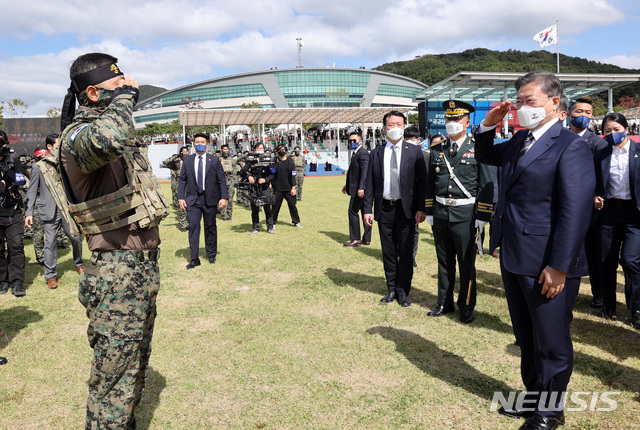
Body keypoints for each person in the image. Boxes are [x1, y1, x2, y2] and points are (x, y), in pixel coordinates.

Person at [475, 71, 595, 429]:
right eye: (520, 102)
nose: (523, 108)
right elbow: (487, 156)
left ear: (555, 103)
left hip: (548, 262)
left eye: (531, 101)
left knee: (551, 338)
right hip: (514, 256)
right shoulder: (520, 139)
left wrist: (559, 266)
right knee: (526, 335)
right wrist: (487, 125)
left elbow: (575, 212)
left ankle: (550, 410)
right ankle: (532, 398)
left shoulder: (571, 145)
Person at [59, 52, 170, 429]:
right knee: (113, 380)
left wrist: (119, 98)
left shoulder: (107, 129)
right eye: (117, 85)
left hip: (138, 269)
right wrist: (125, 99)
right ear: (92, 94)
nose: (129, 88)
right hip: (115, 272)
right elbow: (107, 138)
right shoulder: (78, 137)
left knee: (133, 367)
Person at [425, 100, 494, 324]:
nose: (451, 123)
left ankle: (465, 305)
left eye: (456, 119)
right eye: (448, 119)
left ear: (467, 122)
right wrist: (429, 211)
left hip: (466, 215)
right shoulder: (437, 149)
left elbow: (486, 184)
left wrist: (483, 216)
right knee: (444, 261)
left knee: (466, 264)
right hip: (441, 212)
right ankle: (444, 303)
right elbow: (429, 183)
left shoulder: (477, 148)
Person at [363, 111, 427, 307]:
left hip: (406, 209)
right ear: (384, 128)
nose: (395, 127)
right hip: (385, 209)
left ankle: (403, 290)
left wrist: (421, 208)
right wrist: (367, 209)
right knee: (388, 250)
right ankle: (391, 288)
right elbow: (370, 184)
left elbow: (422, 183)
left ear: (404, 126)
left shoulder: (414, 151)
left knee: (406, 251)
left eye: (399, 123)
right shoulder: (376, 153)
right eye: (391, 124)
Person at [593, 112, 640, 329]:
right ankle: (608, 306)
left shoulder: (638, 152)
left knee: (631, 261)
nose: (612, 134)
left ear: (627, 129)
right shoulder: (600, 153)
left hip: (634, 215)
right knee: (606, 261)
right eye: (607, 131)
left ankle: (637, 308)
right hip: (609, 212)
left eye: (617, 130)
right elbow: (591, 181)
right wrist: (595, 197)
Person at [24, 134, 84, 289]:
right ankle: (51, 276)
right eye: (58, 145)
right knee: (50, 243)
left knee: (76, 237)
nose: (60, 148)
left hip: (66, 209)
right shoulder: (39, 166)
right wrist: (28, 212)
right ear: (49, 147)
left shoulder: (65, 163)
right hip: (49, 210)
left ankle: (79, 263)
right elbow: (31, 191)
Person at [567, 98, 608, 308]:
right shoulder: (558, 139)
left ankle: (598, 294)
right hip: (563, 205)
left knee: (593, 251)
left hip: (590, 208)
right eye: (579, 111)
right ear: (569, 114)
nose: (584, 115)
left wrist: (596, 197)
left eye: (589, 112)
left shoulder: (598, 144)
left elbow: (602, 178)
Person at [178, 133, 228, 268]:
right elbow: (182, 179)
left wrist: (224, 197)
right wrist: (180, 198)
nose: (200, 144)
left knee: (210, 226)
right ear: (194, 144)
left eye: (202, 142)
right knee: (193, 226)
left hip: (210, 199)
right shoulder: (187, 161)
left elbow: (221, 180)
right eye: (197, 142)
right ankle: (194, 258)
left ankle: (211, 254)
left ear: (207, 144)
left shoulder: (215, 160)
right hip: (193, 200)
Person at [0, 130, 26, 297]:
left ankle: (17, 283)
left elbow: (21, 180)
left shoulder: (13, 162)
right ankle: (2, 281)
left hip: (12, 212)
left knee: (16, 246)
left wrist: (11, 181)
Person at [342, 131, 371, 247]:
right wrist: (347, 185)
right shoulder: (356, 153)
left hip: (360, 190)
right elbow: (353, 172)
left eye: (354, 140)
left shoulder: (362, 153)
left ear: (360, 141)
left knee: (353, 212)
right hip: (356, 188)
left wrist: (361, 187)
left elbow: (365, 172)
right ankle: (366, 239)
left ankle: (355, 238)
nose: (352, 142)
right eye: (350, 141)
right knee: (365, 212)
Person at [240, 142, 275, 235]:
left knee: (267, 207)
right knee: (255, 208)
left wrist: (265, 179)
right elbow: (242, 171)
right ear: (254, 149)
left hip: (264, 187)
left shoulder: (268, 161)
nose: (260, 149)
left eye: (261, 148)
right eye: (258, 148)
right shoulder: (251, 160)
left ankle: (270, 227)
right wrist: (248, 177)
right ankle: (255, 228)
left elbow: (273, 174)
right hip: (254, 188)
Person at [403, 126, 423, 266]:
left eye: (412, 139)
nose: (409, 142)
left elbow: (424, 181)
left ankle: (411, 256)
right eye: (407, 139)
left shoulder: (422, 154)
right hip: (402, 199)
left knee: (413, 231)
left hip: (415, 201)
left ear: (418, 140)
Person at [271, 144, 301, 228]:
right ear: (277, 151)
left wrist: (293, 187)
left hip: (288, 188)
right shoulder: (274, 162)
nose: (282, 151)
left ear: (286, 151)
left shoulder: (290, 162)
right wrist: (270, 183)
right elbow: (272, 174)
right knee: (275, 206)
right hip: (277, 188)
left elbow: (293, 175)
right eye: (280, 149)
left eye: (283, 149)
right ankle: (272, 222)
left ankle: (296, 222)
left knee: (292, 206)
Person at [162, 146, 189, 231]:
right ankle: (183, 224)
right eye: (183, 152)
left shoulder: (192, 161)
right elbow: (165, 163)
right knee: (181, 204)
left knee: (191, 205)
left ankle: (189, 222)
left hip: (190, 185)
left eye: (186, 151)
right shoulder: (177, 162)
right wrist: (175, 156)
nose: (185, 153)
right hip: (179, 184)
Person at [218, 144, 238, 221]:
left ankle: (229, 214)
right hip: (221, 180)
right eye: (224, 150)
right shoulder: (218, 160)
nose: (225, 151)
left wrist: (235, 181)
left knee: (230, 199)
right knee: (222, 198)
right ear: (221, 151)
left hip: (230, 180)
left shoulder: (232, 160)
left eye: (227, 150)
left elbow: (235, 170)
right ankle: (224, 214)